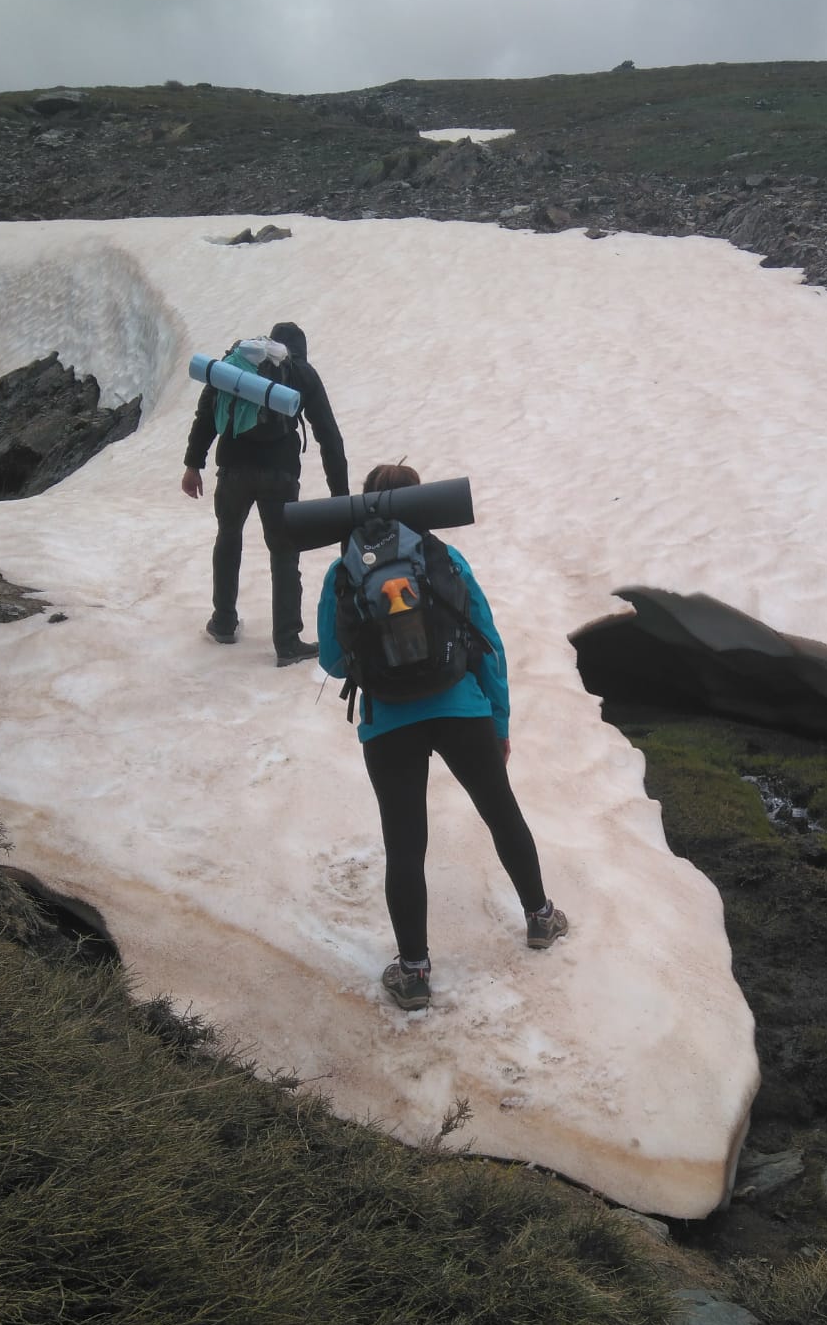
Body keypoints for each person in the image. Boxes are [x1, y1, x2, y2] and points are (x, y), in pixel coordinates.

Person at [317, 463, 568, 1010]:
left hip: (388, 726)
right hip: (463, 710)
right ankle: (541, 918)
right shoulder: (444, 558)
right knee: (501, 812)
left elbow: (334, 662)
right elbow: (487, 642)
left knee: (405, 844)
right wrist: (498, 721)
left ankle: (413, 972)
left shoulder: (344, 572)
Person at [182, 320, 348, 666]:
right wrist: (340, 497)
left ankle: (223, 622)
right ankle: (287, 642)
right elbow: (328, 436)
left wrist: (193, 464)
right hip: (280, 475)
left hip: (232, 471)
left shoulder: (238, 368)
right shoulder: (301, 374)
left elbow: (206, 415)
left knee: (228, 538)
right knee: (284, 553)